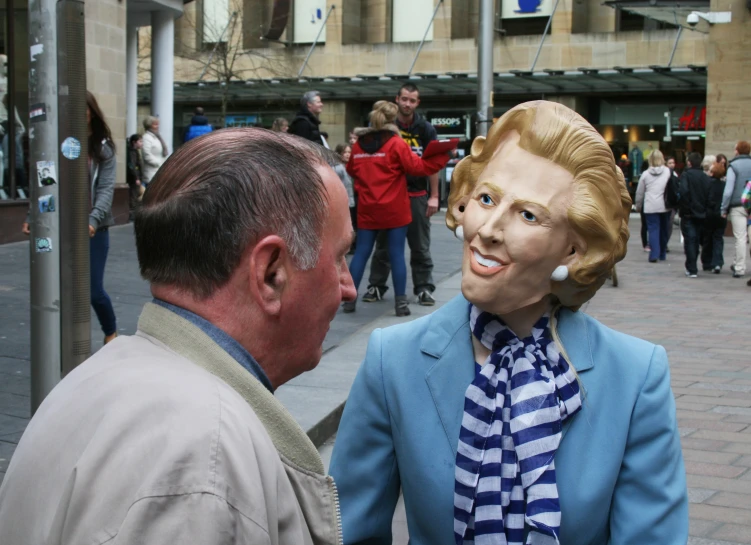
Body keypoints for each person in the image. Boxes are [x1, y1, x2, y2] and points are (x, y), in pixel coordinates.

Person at [330, 101, 687, 545]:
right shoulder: (393, 360)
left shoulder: (635, 377)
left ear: (573, 251)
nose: (489, 230)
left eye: (528, 214)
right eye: (486, 198)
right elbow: (349, 531)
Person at [0, 129, 356, 543]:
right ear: (271, 272)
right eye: (339, 257)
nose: (348, 287)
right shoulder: (205, 460)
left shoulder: (99, 377)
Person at [23, 91, 120, 342]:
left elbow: (105, 189)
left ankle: (110, 331)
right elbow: (46, 184)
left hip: (94, 228)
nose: (80, 113)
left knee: (93, 290)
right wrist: (33, 216)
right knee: (56, 283)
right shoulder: (58, 143)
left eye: (84, 108)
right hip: (60, 227)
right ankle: (62, 336)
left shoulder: (103, 148)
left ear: (91, 112)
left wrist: (93, 220)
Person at [344, 100, 449, 316]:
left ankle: (349, 301)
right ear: (392, 120)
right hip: (394, 208)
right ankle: (401, 305)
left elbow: (352, 170)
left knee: (362, 253)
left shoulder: (358, 145)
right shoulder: (395, 143)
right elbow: (417, 167)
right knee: (396, 254)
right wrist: (441, 156)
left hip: (368, 208)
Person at [363, 83, 440, 306]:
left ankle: (424, 288)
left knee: (420, 246)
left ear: (417, 103)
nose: (407, 104)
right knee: (384, 246)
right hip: (389, 197)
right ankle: (376, 286)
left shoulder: (425, 129)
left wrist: (434, 196)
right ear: (396, 99)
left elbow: (433, 164)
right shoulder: (383, 127)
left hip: (416, 195)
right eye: (404, 99)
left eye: (412, 100)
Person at [678, 152, 711, 278]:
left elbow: (684, 192)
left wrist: (685, 208)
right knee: (696, 240)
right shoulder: (705, 177)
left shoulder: (686, 175)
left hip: (689, 214)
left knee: (690, 240)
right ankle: (693, 266)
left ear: (689, 163)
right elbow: (709, 195)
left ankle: (691, 268)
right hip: (701, 213)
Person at [721, 140, 751, 278]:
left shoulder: (733, 166)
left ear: (737, 151)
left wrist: (723, 208)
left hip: (738, 205)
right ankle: (737, 263)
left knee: (740, 237)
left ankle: (739, 267)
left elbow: (728, 191)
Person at [635, 150, 671, 263]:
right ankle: (662, 254)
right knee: (664, 230)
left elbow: (640, 192)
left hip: (650, 205)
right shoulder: (668, 172)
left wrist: (638, 205)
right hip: (665, 205)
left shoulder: (645, 174)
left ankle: (654, 254)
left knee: (653, 230)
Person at [702, 161, 728, 273]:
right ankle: (717, 262)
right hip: (721, 214)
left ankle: (707, 262)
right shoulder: (724, 185)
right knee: (718, 238)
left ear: (712, 173)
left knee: (707, 238)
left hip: (708, 215)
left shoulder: (706, 184)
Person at [335, 143, 356, 252]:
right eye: (345, 152)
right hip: (345, 201)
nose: (347, 155)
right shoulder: (338, 168)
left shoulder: (349, 166)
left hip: (350, 200)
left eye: (349, 152)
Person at [141, 115, 169, 186]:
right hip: (151, 172)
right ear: (149, 125)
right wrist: (158, 164)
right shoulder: (146, 138)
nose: (157, 126)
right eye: (155, 124)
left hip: (159, 171)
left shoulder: (157, 137)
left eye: (157, 124)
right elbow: (146, 155)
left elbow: (162, 153)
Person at [126, 133, 145, 219]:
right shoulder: (132, 153)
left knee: (138, 193)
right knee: (134, 194)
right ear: (134, 142)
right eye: (140, 141)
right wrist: (136, 178)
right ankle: (132, 213)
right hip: (134, 178)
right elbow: (132, 166)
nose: (142, 143)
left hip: (137, 177)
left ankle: (134, 211)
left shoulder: (135, 152)